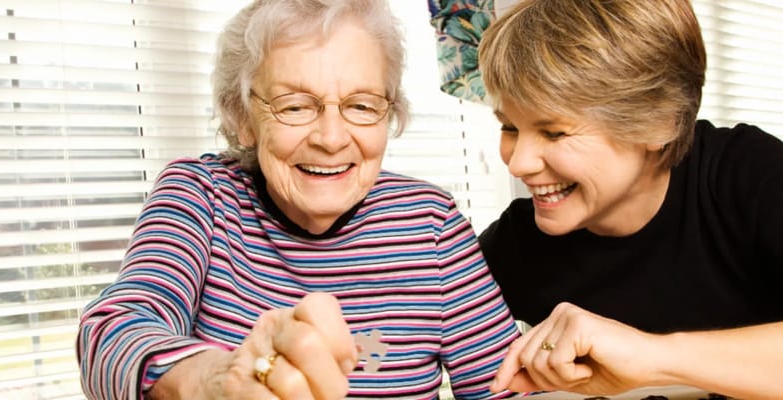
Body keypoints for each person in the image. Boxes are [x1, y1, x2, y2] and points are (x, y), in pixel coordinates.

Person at [75, 0, 523, 399]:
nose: (331, 139)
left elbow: (506, 388)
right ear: (242, 118)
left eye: (362, 106)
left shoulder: (432, 223)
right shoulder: (201, 195)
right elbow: (113, 332)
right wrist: (215, 379)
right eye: (294, 106)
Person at [475, 0, 783, 399]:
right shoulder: (519, 240)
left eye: (554, 132)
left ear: (657, 122)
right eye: (509, 127)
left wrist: (655, 357)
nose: (519, 163)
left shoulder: (744, 174)